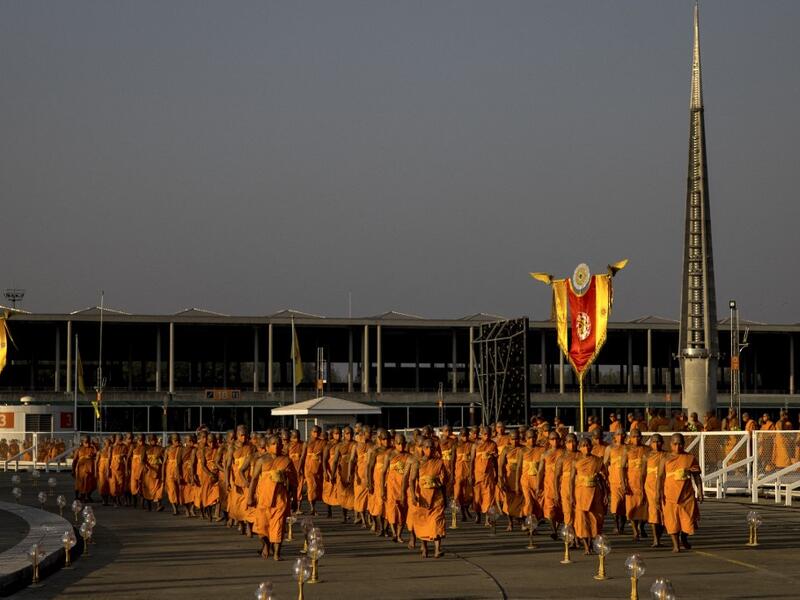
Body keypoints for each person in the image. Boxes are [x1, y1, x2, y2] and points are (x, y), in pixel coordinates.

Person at [248, 434, 298, 561]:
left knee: (278, 526)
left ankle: (277, 553)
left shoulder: (286, 461)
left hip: (280, 499)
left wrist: (295, 500)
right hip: (263, 499)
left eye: (279, 444)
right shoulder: (261, 461)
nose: (276, 447)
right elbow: (254, 479)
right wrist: (250, 497)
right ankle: (266, 545)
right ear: (268, 446)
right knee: (261, 529)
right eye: (273, 444)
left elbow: (293, 482)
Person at [663, 433, 703, 552]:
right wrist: (658, 493)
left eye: (680, 444)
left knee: (689, 521)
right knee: (672, 521)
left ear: (684, 444)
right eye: (675, 444)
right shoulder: (666, 458)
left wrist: (700, 491)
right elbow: (660, 477)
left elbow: (696, 476)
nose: (678, 447)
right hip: (670, 495)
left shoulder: (690, 458)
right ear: (671, 445)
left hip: (687, 495)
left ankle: (684, 537)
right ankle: (676, 545)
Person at [570, 437, 607, 554]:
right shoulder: (575, 462)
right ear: (580, 448)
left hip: (595, 492)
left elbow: (603, 479)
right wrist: (571, 496)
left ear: (591, 446)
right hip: (580, 493)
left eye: (588, 445)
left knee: (595, 519)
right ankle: (586, 546)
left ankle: (591, 542)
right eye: (584, 445)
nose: (586, 448)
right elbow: (571, 480)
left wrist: (606, 494)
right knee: (582, 519)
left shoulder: (598, 461)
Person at [411, 438, 447, 558]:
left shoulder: (439, 462)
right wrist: (413, 495)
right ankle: (425, 548)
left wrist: (445, 498)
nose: (430, 450)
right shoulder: (417, 462)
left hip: (437, 497)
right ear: (423, 448)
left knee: (437, 521)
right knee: (424, 523)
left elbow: (444, 482)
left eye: (432, 448)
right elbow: (412, 480)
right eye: (427, 447)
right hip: (423, 497)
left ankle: (437, 550)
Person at [384, 432, 411, 543]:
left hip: (404, 488)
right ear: (395, 443)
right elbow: (383, 472)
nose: (401, 446)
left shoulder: (409, 456)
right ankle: (394, 533)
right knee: (392, 511)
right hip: (391, 487)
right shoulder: (389, 455)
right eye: (399, 444)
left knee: (403, 511)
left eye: (403, 443)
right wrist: (382, 488)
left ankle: (399, 534)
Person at [537, 431, 564, 540]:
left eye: (557, 439)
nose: (555, 441)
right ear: (549, 441)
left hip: (562, 484)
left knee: (560, 510)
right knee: (550, 509)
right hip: (548, 485)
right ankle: (554, 530)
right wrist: (538, 486)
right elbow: (540, 471)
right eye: (552, 439)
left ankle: (556, 529)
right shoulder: (545, 454)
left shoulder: (564, 453)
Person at [498, 429, 525, 531]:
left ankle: (522, 522)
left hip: (521, 478)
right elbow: (500, 466)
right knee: (508, 501)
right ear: (509, 439)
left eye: (517, 439)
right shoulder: (506, 450)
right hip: (509, 478)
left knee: (521, 501)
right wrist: (501, 479)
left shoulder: (523, 449)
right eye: (513, 439)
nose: (515, 441)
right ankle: (510, 523)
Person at [470, 426, 498, 525]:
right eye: (485, 434)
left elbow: (495, 461)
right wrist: (471, 475)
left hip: (489, 475)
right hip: (477, 474)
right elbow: (472, 461)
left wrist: (497, 474)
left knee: (489, 497)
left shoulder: (493, 444)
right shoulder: (475, 445)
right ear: (481, 434)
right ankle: (478, 515)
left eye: (489, 434)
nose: (487, 436)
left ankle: (487, 519)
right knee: (477, 497)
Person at [624, 429, 648, 541]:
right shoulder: (627, 450)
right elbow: (622, 468)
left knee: (644, 507)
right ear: (630, 438)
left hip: (644, 482)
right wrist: (624, 483)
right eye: (634, 436)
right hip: (631, 483)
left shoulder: (647, 449)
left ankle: (641, 526)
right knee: (632, 508)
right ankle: (635, 531)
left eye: (638, 436)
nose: (636, 439)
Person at [367, 429, 391, 536]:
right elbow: (370, 467)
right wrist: (369, 482)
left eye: (388, 439)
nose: (386, 442)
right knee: (380, 505)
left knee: (389, 505)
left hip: (390, 481)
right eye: (384, 439)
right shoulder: (376, 452)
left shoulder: (393, 452)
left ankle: (386, 528)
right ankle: (381, 528)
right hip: (378, 482)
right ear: (380, 440)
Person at [644, 434, 667, 547]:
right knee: (653, 512)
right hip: (650, 487)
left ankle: (660, 535)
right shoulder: (647, 456)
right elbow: (643, 473)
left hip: (665, 485)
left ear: (662, 443)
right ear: (650, 443)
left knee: (665, 512)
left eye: (658, 442)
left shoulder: (666, 455)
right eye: (653, 442)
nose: (656, 444)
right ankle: (655, 539)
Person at [604, 430, 627, 535]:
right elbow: (605, 463)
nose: (620, 436)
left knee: (625, 505)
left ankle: (622, 525)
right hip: (614, 480)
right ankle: (616, 524)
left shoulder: (628, 448)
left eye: (622, 434)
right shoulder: (610, 448)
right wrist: (606, 476)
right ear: (614, 437)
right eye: (618, 434)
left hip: (627, 480)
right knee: (615, 504)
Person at [301, 426, 327, 516]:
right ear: (311, 432)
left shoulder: (323, 443)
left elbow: (324, 457)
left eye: (318, 432)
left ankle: (314, 506)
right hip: (308, 468)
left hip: (318, 468)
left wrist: (325, 469)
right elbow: (302, 457)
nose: (316, 434)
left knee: (316, 488)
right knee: (311, 487)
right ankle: (312, 508)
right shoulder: (306, 443)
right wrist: (300, 468)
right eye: (314, 432)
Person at [520, 429, 544, 522]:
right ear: (526, 438)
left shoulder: (541, 450)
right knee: (529, 502)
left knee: (538, 504)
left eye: (534, 437)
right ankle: (529, 523)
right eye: (529, 438)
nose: (532, 439)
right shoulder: (522, 451)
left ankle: (533, 523)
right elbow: (519, 468)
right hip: (526, 481)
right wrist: (517, 483)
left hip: (537, 480)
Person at [557, 433, 579, 536]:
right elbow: (556, 477)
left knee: (579, 513)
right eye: (569, 442)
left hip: (580, 486)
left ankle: (579, 535)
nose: (572, 444)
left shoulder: (581, 455)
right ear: (565, 444)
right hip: (566, 488)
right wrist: (556, 493)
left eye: (574, 441)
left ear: (577, 442)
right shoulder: (561, 458)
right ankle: (571, 537)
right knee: (568, 512)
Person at [352, 425, 374, 528]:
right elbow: (352, 460)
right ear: (364, 433)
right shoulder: (356, 446)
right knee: (360, 498)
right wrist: (352, 474)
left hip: (370, 474)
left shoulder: (372, 445)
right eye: (369, 433)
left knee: (370, 497)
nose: (371, 435)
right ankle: (363, 520)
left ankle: (370, 518)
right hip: (360, 474)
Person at [333, 426, 356, 523]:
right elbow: (334, 461)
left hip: (354, 470)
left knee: (354, 493)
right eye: (347, 433)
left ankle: (357, 516)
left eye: (351, 433)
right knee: (343, 494)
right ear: (344, 434)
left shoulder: (356, 445)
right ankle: (344, 516)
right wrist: (333, 474)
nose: (349, 435)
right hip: (343, 470)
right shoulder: (339, 446)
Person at [453, 428, 474, 522]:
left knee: (469, 494)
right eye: (463, 435)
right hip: (458, 473)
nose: (465, 437)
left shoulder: (472, 445)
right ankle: (462, 514)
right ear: (460, 436)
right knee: (458, 494)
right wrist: (451, 475)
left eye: (466, 435)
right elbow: (452, 461)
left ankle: (466, 509)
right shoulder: (456, 446)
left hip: (469, 472)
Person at [142, 434, 165, 512]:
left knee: (159, 488)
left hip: (158, 471)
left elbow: (164, 459)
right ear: (149, 441)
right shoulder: (145, 448)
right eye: (151, 440)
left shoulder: (160, 449)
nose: (153, 441)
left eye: (154, 440)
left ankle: (159, 505)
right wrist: (145, 467)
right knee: (149, 489)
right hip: (149, 472)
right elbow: (142, 460)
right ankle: (149, 506)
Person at [322, 427, 342, 517]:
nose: (338, 435)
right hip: (330, 470)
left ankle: (344, 514)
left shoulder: (342, 445)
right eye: (336, 434)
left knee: (341, 490)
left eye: (339, 433)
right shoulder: (328, 445)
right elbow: (324, 460)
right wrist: (326, 472)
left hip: (340, 470)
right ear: (332, 435)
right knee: (328, 490)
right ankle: (328, 510)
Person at [72, 434, 97, 502]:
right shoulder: (79, 449)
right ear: (83, 442)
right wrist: (73, 470)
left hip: (90, 469)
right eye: (86, 442)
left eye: (89, 442)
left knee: (89, 483)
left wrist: (94, 446)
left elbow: (97, 453)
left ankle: (87, 496)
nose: (88, 444)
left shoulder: (92, 448)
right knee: (79, 483)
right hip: (81, 469)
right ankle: (77, 496)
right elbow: (74, 460)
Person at [163, 433, 183, 515]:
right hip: (169, 472)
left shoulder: (181, 449)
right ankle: (175, 509)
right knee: (172, 490)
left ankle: (178, 506)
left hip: (179, 471)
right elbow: (164, 463)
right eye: (175, 440)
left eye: (178, 440)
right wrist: (162, 475)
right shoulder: (167, 450)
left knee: (178, 490)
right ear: (171, 440)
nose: (177, 442)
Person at [129, 434, 146, 508]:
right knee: (134, 487)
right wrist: (127, 469)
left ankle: (142, 504)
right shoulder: (133, 446)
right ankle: (135, 502)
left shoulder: (146, 447)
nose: (141, 441)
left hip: (142, 469)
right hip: (134, 469)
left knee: (143, 486)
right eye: (140, 439)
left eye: (142, 439)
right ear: (137, 439)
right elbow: (128, 457)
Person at [95, 437, 112, 506]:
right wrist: (95, 472)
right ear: (105, 444)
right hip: (102, 470)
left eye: (110, 443)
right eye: (108, 443)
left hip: (110, 469)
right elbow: (96, 462)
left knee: (109, 485)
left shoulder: (111, 451)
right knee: (102, 485)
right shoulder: (100, 452)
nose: (110, 444)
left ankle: (107, 500)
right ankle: (103, 500)